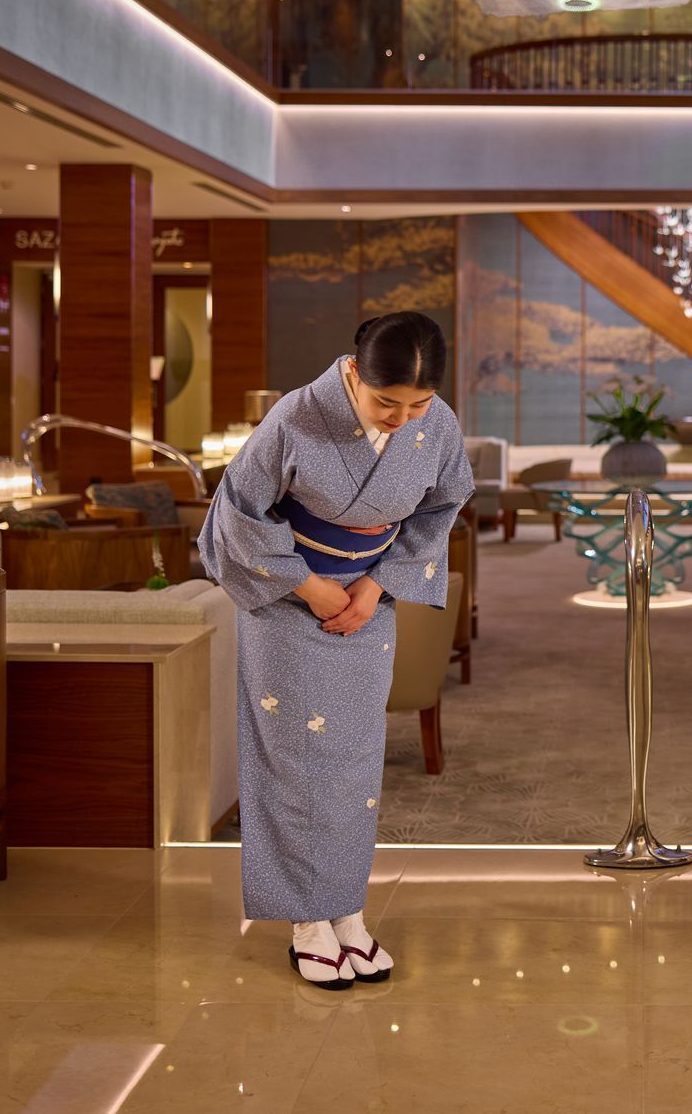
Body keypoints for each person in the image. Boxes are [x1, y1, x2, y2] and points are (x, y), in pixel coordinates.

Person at [198, 311, 474, 990]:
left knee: (353, 761)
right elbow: (237, 513)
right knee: (294, 761)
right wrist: (310, 585)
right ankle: (305, 922)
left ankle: (346, 909)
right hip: (285, 601)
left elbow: (441, 506)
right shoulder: (295, 417)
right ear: (353, 374)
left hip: (365, 606)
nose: (402, 419)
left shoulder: (437, 425)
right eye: (386, 403)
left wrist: (376, 585)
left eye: (418, 404)